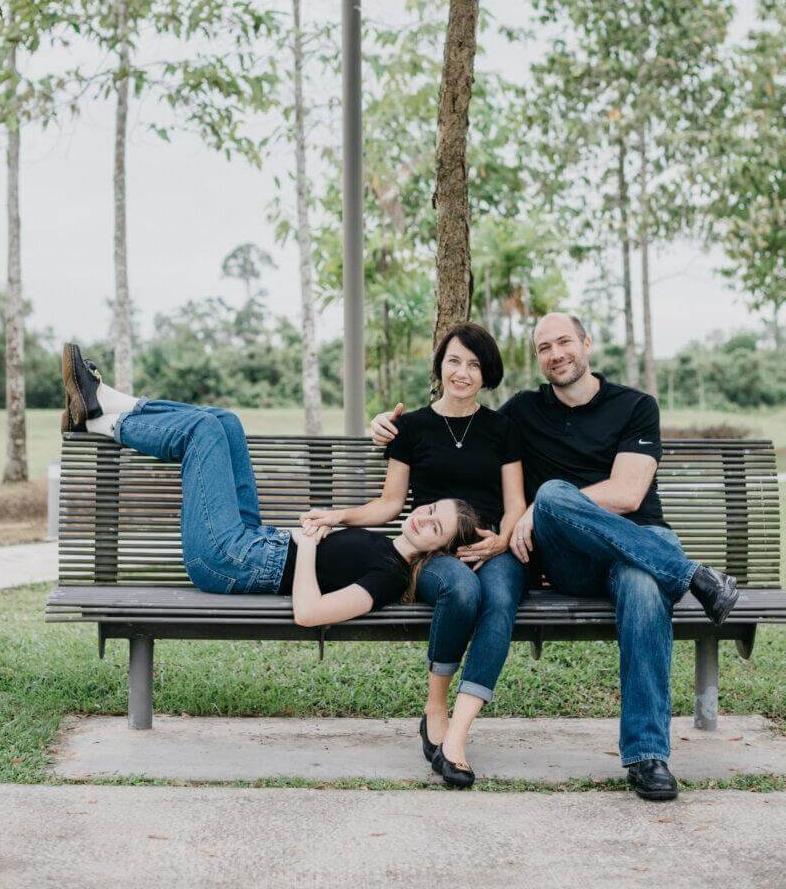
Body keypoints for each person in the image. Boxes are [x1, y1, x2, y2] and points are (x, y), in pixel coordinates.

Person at [371, 312, 740, 802]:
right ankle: (694, 575)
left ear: (586, 344)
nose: (556, 354)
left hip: (640, 548)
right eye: (544, 347)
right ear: (538, 359)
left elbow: (629, 495)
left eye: (564, 342)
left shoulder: (635, 406)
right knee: (551, 496)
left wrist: (545, 507)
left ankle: (648, 756)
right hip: (571, 562)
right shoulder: (523, 412)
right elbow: (458, 419)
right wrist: (385, 426)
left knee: (639, 583)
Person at [61, 342, 479, 629]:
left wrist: (312, 546)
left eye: (435, 528)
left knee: (203, 430)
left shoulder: (390, 578)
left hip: (228, 561)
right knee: (225, 421)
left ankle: (100, 417)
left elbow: (310, 613)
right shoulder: (387, 547)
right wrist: (330, 522)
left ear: (437, 551)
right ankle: (107, 402)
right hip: (255, 541)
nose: (423, 520)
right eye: (428, 510)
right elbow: (380, 514)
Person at [305, 322, 526, 788]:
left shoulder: (502, 428)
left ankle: (457, 739)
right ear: (439, 365)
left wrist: (503, 541)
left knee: (501, 599)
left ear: (487, 374)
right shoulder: (410, 428)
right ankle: (435, 706)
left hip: (492, 546)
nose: (462, 372)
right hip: (434, 552)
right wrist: (338, 514)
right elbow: (389, 504)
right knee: (462, 590)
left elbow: (515, 505)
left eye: (473, 364)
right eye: (453, 361)